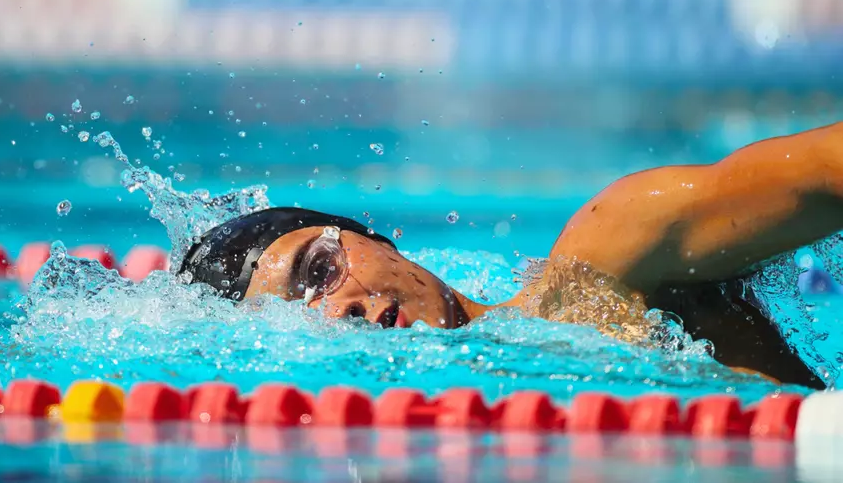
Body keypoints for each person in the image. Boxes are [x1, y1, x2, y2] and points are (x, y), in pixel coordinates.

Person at [178, 122, 843, 389]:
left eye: (320, 269)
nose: (337, 311)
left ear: (375, 240)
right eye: (301, 316)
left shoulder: (613, 260)